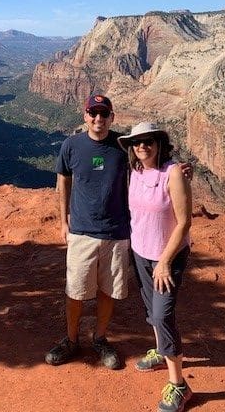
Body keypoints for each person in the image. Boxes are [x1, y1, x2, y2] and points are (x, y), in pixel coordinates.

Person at [45, 94, 129, 369]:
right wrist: (63, 222)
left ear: (111, 118)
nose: (98, 119)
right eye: (93, 113)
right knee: (76, 290)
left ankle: (100, 339)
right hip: (81, 231)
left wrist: (178, 171)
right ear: (85, 116)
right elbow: (63, 181)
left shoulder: (121, 146)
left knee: (107, 290)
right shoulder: (72, 146)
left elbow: (149, 166)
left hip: (116, 232)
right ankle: (71, 340)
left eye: (104, 114)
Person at [118, 122, 192, 412]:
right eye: (137, 142)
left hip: (167, 258)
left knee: (162, 315)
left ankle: (180, 386)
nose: (143, 146)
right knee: (151, 310)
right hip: (140, 253)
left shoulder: (173, 173)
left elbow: (184, 222)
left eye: (148, 141)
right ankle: (162, 351)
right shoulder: (134, 171)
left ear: (159, 144)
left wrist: (164, 262)